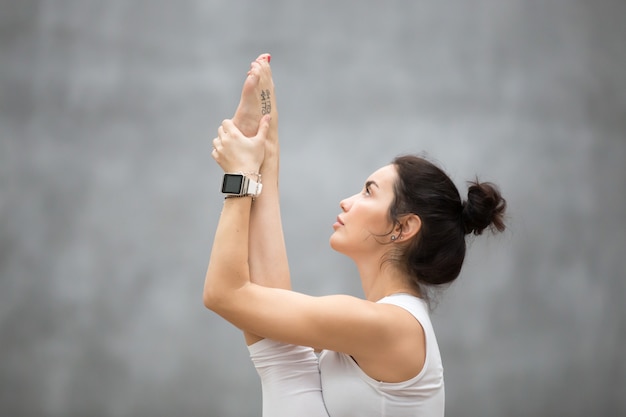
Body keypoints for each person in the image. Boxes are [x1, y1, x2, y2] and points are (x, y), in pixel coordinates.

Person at [204, 54, 506, 417]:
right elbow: (283, 361)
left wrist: (240, 177)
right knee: (283, 358)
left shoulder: (389, 327)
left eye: (368, 191)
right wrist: (263, 144)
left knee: (282, 359)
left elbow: (225, 295)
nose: (347, 202)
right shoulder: (382, 324)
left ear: (403, 227)